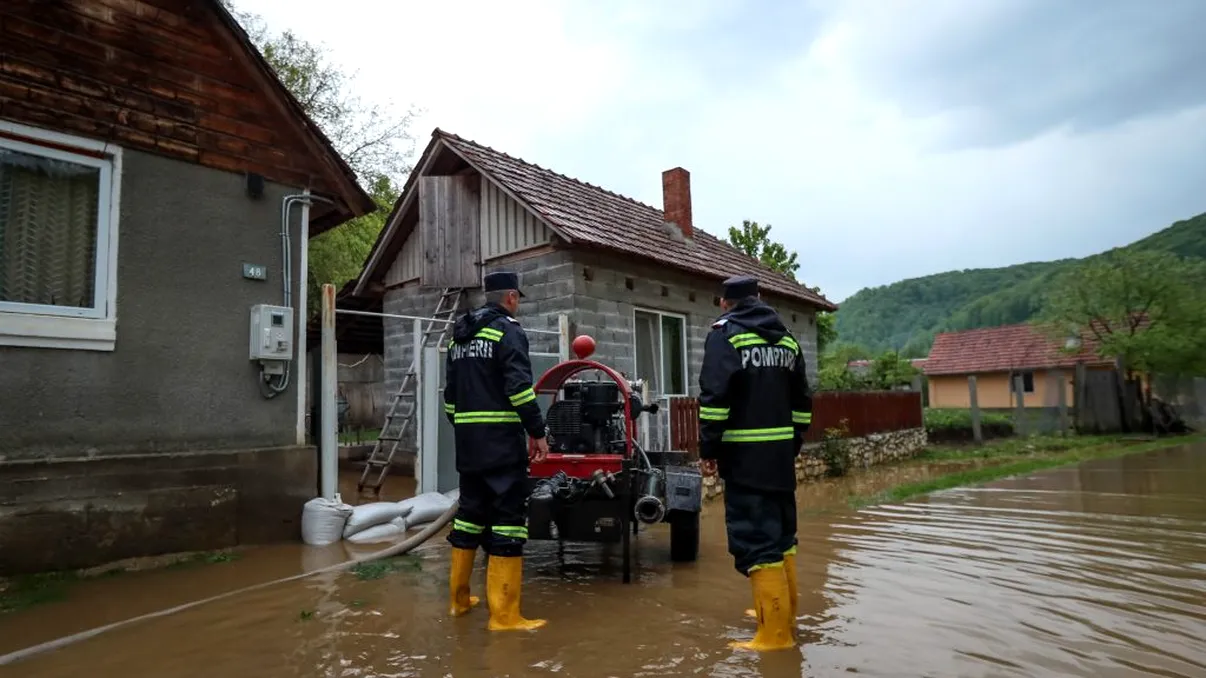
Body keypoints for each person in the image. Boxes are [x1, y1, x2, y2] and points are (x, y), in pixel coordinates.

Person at [697, 274, 813, 652]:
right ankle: (784, 617)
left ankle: (773, 637)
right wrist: (791, 443)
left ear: (723, 303)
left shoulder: (725, 334)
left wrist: (708, 449)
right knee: (782, 537)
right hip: (780, 457)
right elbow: (802, 402)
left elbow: (714, 399)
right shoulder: (787, 337)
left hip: (744, 458)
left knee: (756, 540)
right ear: (760, 298)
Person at [443, 270, 551, 632]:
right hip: (502, 444)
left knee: (469, 514)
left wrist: (467, 430)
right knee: (507, 520)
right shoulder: (508, 330)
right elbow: (520, 389)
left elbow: (450, 400)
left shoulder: (459, 336)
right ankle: (504, 617)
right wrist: (537, 432)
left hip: (469, 445)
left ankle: (459, 602)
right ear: (511, 298)